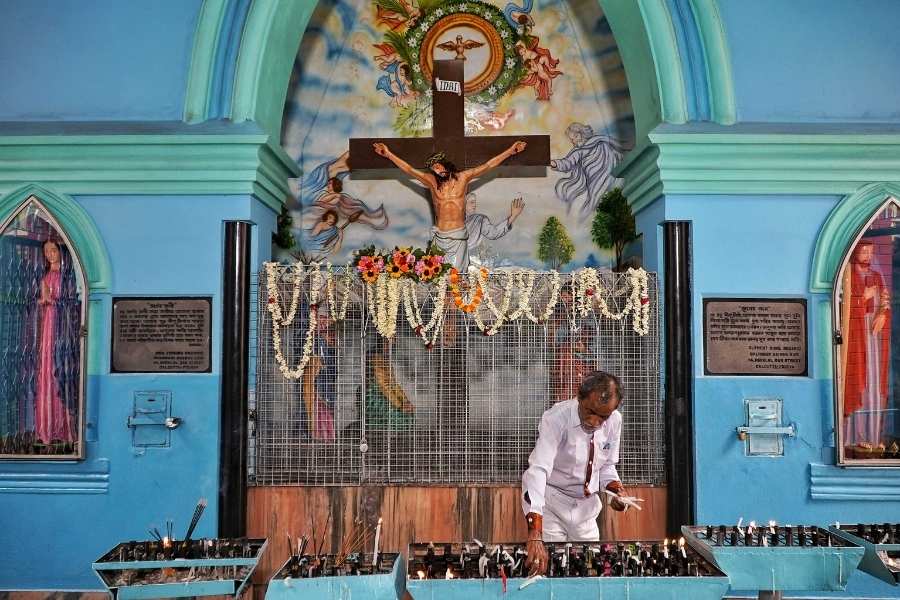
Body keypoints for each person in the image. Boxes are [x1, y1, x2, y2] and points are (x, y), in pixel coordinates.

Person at [521, 371, 628, 575]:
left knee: (590, 571)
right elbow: (537, 471)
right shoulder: (556, 419)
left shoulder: (615, 421)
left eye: (603, 416)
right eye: (590, 411)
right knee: (553, 570)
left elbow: (606, 466)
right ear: (579, 397)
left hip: (587, 511)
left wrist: (617, 492)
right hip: (553, 505)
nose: (595, 422)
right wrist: (535, 532)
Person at [372, 140, 527, 270]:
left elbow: (487, 166)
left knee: (458, 278)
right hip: (440, 236)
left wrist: (510, 151)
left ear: (444, 164)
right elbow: (409, 170)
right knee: (436, 276)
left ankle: (456, 306)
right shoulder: (432, 182)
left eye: (438, 166)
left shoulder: (463, 178)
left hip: (458, 236)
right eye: (433, 169)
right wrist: (389, 154)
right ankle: (440, 306)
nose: (437, 171)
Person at [841, 239, 891, 451]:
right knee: (857, 378)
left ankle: (872, 434)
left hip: (873, 336)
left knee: (873, 380)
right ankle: (854, 435)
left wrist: (882, 315)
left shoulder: (878, 275)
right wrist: (863, 297)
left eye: (871, 252)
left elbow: (885, 302)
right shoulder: (847, 275)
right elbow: (843, 307)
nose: (868, 255)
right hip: (856, 335)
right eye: (864, 251)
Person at [35, 240, 75, 446]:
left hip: (63, 323)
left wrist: (53, 300)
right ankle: (48, 426)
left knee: (62, 367)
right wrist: (45, 300)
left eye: (53, 250)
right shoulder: (45, 276)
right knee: (49, 367)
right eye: (46, 252)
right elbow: (44, 298)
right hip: (50, 322)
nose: (50, 254)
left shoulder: (69, 276)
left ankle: (64, 426)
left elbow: (71, 299)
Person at [552, 123, 624, 217]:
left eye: (573, 138)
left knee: (616, 197)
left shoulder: (601, 143)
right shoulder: (578, 151)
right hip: (594, 183)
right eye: (571, 140)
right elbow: (567, 163)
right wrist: (554, 163)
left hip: (609, 177)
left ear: (580, 134)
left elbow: (615, 156)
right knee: (594, 204)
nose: (573, 141)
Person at [464, 193, 524, 264]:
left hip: (471, 260)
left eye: (475, 202)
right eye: (471, 202)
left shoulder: (479, 219)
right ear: (463, 203)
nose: (474, 205)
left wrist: (513, 216)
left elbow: (494, 233)